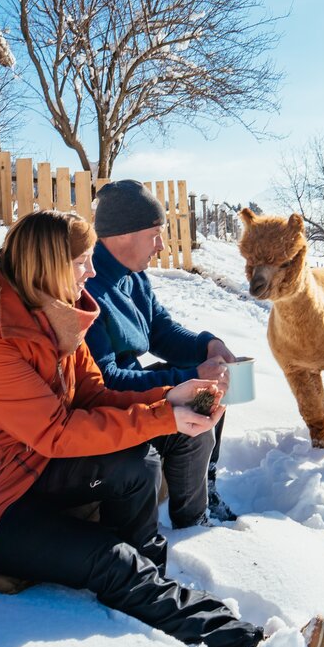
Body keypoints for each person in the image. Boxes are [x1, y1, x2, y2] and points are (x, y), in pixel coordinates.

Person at [0, 209, 324, 647]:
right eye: (83, 262)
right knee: (109, 559)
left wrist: (168, 396)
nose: (91, 272)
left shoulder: (54, 312)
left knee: (133, 471)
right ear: (50, 265)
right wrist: (163, 416)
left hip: (24, 468)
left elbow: (95, 396)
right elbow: (58, 432)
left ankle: (147, 594)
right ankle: (241, 645)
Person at [85, 180, 237, 524]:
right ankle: (191, 520)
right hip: (110, 400)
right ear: (124, 234)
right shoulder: (88, 286)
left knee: (217, 388)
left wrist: (207, 345)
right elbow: (105, 379)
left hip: (132, 380)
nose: (161, 245)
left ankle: (204, 488)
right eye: (155, 233)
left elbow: (161, 331)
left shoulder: (132, 277)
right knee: (198, 403)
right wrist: (190, 379)